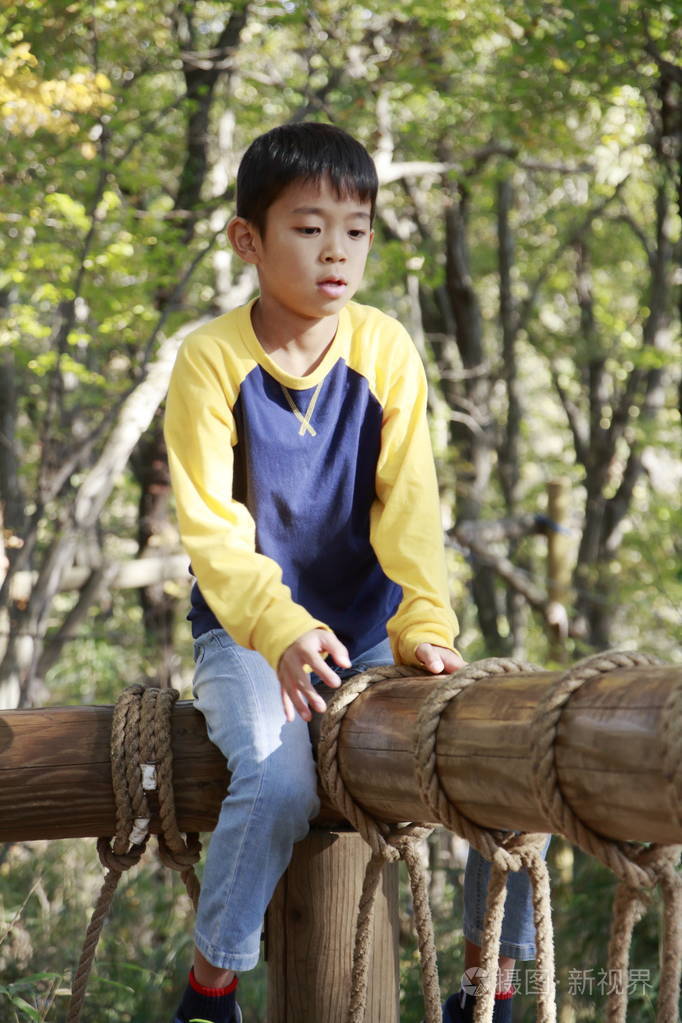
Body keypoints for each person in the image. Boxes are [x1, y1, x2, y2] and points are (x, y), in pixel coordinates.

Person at [164, 121, 539, 1023]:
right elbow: (212, 533)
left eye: (357, 228)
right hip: (249, 633)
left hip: (370, 631)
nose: (338, 250)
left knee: (501, 744)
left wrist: (425, 627)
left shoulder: (383, 348)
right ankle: (211, 989)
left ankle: (488, 988)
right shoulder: (211, 360)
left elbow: (408, 507)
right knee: (281, 779)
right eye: (308, 226)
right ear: (247, 240)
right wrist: (283, 631)